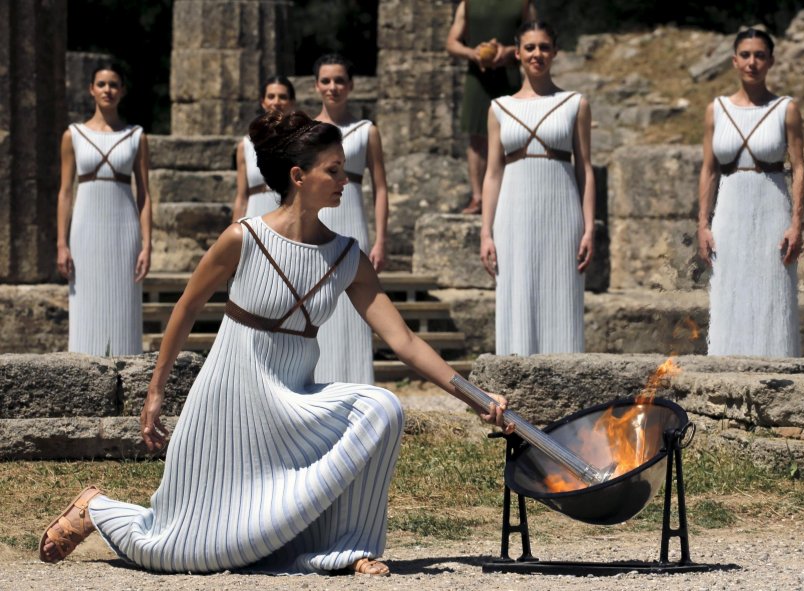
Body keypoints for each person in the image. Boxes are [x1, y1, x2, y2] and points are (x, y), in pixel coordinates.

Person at [38, 110, 512, 576]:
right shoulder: (243, 238)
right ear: (298, 176)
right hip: (228, 406)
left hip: (293, 405)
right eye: (333, 170)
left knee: (383, 408)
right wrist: (156, 391)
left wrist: (475, 396)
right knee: (181, 553)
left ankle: (346, 549)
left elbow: (404, 340)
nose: (344, 180)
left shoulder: (348, 256)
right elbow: (185, 309)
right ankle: (97, 509)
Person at [479, 21, 594, 356]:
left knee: (562, 295)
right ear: (518, 54)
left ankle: (567, 387)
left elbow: (585, 168)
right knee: (517, 294)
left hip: (562, 210)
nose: (537, 54)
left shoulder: (575, 104)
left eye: (544, 47)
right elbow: (492, 173)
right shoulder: (499, 108)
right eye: (530, 48)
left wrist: (589, 229)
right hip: (512, 213)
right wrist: (486, 232)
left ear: (555, 53)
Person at [697, 29, 804, 357]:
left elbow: (799, 168)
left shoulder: (786, 108)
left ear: (770, 61)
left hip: (772, 206)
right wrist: (703, 222)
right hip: (729, 211)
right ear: (734, 60)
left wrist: (798, 223)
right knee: (730, 290)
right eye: (745, 55)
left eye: (760, 55)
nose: (752, 62)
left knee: (772, 292)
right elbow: (709, 169)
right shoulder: (716, 109)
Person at [56, 62, 152, 356]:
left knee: (124, 307)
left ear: (122, 91)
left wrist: (148, 245)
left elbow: (145, 195)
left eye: (113, 84)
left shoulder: (136, 136)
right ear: (91, 90)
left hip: (124, 231)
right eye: (101, 84)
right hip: (85, 231)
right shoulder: (73, 135)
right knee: (85, 305)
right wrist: (61, 243)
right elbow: (65, 192)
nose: (107, 90)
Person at [312, 54, 389, 384]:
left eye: (340, 80)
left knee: (356, 306)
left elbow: (382, 188)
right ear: (316, 85)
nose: (333, 87)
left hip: (353, 222)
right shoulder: (308, 131)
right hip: (317, 226)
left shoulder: (366, 131)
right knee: (318, 305)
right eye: (326, 80)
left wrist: (381, 238)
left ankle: (357, 386)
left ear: (351, 85)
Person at [447, 0, 537, 214]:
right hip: (478, 78)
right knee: (477, 138)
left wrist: (509, 51)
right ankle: (478, 197)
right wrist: (473, 54)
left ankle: (509, 195)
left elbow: (536, 37)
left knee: (512, 137)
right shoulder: (468, 4)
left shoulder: (523, 4)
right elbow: (451, 42)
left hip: (509, 77)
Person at [232, 75, 296, 220]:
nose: (276, 102)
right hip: (254, 219)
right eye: (271, 96)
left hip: (290, 221)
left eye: (282, 97)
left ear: (292, 102)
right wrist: (234, 231)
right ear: (263, 102)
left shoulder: (301, 141)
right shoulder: (246, 145)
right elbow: (242, 197)